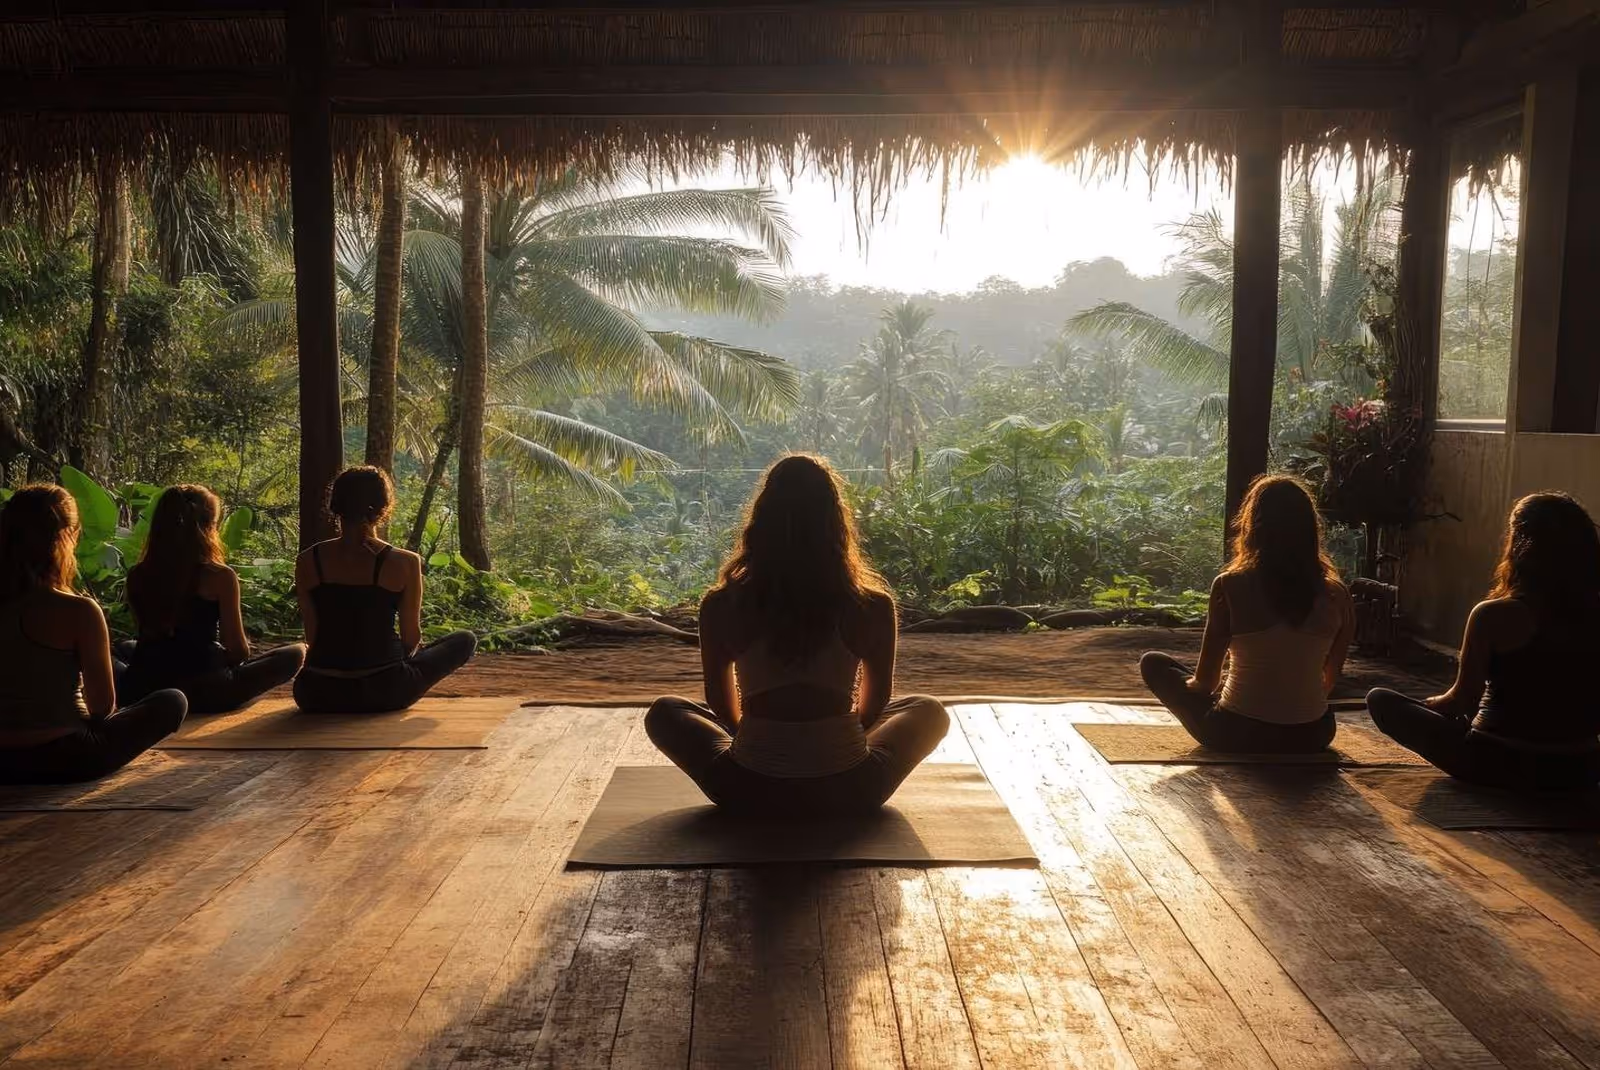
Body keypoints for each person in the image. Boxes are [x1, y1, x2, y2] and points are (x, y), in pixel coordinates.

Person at [645, 454, 949, 816]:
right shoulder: (872, 605)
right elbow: (875, 704)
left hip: (744, 789)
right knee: (928, 710)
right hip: (853, 790)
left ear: (761, 520)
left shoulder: (722, 604)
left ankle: (777, 761)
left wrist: (772, 746)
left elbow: (720, 703)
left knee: (666, 711)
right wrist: (822, 746)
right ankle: (822, 758)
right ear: (836, 521)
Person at [1368, 492, 1600, 790]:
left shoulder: (1493, 615)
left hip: (1495, 761)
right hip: (1581, 769)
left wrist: (1429, 705)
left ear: (1520, 545)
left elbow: (1461, 700)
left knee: (1380, 699)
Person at [1140, 473, 1354, 753]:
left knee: (1154, 663)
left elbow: (1205, 684)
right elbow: (1328, 681)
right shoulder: (1338, 595)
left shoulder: (1229, 585)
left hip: (1237, 732)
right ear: (1311, 530)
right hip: (1313, 735)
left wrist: (1189, 686)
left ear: (1252, 526)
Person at [0, 485, 186, 784]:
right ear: (66, 537)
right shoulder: (78, 610)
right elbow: (102, 707)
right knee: (172, 701)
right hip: (69, 755)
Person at [293, 466, 476, 714]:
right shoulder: (405, 562)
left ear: (335, 505)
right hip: (383, 690)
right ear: (383, 507)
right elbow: (411, 638)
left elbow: (312, 639)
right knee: (464, 639)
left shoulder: (307, 560)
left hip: (316, 692)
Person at [119, 485, 305, 714]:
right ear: (207, 528)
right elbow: (238, 652)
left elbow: (148, 636)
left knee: (123, 649)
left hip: (145, 689)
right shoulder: (220, 576)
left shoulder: (138, 575)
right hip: (208, 691)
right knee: (296, 652)